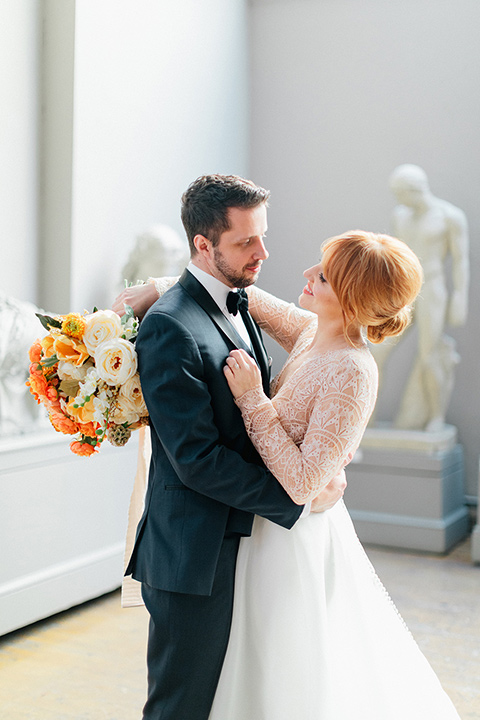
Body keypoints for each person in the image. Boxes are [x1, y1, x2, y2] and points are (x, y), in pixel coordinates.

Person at [130, 230, 461, 718]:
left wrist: (252, 399)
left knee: (281, 676)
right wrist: (160, 286)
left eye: (323, 276)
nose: (307, 275)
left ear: (351, 299)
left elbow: (305, 483)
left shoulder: (352, 371)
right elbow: (248, 296)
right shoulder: (312, 330)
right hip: (257, 532)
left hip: (290, 543)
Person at [118, 175, 346, 720]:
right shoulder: (172, 325)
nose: (263, 253)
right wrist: (297, 496)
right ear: (204, 245)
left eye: (262, 237)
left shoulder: (236, 300)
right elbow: (196, 459)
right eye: (247, 242)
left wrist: (316, 464)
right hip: (193, 555)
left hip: (238, 541)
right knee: (180, 705)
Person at [372, 164, 469, 432]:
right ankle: (366, 416)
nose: (398, 199)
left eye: (400, 193)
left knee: (429, 355)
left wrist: (459, 297)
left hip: (433, 289)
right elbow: (394, 256)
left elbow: (461, 260)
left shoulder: (449, 216)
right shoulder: (400, 215)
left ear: (414, 190)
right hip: (404, 291)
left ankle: (435, 416)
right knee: (378, 349)